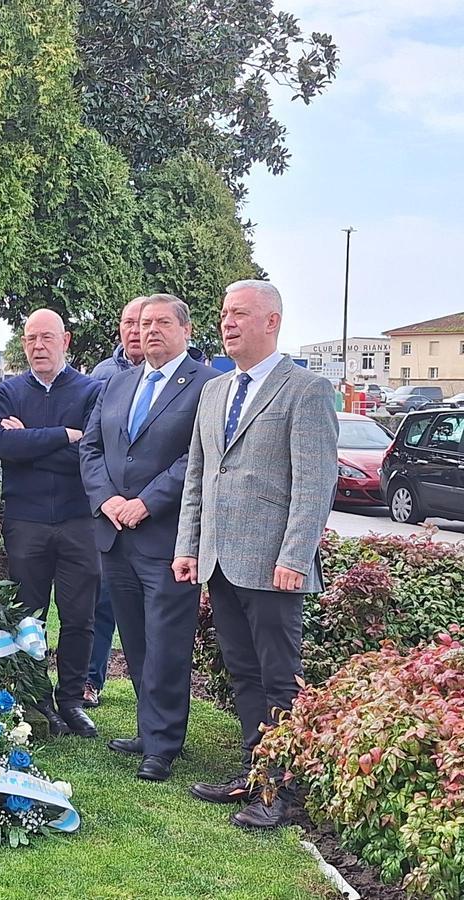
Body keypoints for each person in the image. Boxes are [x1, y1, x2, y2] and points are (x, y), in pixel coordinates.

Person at [173, 279, 338, 828]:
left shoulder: (306, 390)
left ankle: (283, 793)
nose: (228, 322)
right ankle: (254, 773)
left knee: (278, 679)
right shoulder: (214, 391)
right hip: (221, 562)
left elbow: (314, 485)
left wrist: (295, 555)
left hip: (274, 568)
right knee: (243, 673)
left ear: (272, 322)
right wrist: (190, 547)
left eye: (240, 313)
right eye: (223, 313)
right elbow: (199, 476)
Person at [80, 295, 218, 782]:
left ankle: (163, 743)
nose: (149, 330)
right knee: (135, 640)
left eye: (161, 322)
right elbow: (92, 447)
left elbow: (197, 457)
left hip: (167, 537)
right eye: (142, 323)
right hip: (116, 535)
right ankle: (148, 727)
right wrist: (107, 500)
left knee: (166, 642)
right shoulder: (117, 383)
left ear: (185, 329)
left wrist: (145, 502)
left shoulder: (207, 385)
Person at [0, 308, 102, 738]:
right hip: (26, 521)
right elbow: (3, 446)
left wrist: (31, 439)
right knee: (28, 618)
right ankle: (37, 699)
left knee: (78, 616)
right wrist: (63, 435)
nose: (39, 346)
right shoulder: (7, 392)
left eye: (47, 338)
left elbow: (90, 455)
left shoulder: (91, 391)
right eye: (31, 338)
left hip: (78, 521)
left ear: (65, 341)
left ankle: (71, 699)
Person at [82, 296, 147, 707]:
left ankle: (152, 697)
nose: (134, 330)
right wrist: (106, 498)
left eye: (141, 323)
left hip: (152, 511)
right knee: (102, 602)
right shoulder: (104, 374)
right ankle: (92, 679)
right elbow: (90, 440)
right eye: (127, 322)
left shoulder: (186, 378)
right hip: (108, 512)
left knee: (150, 615)